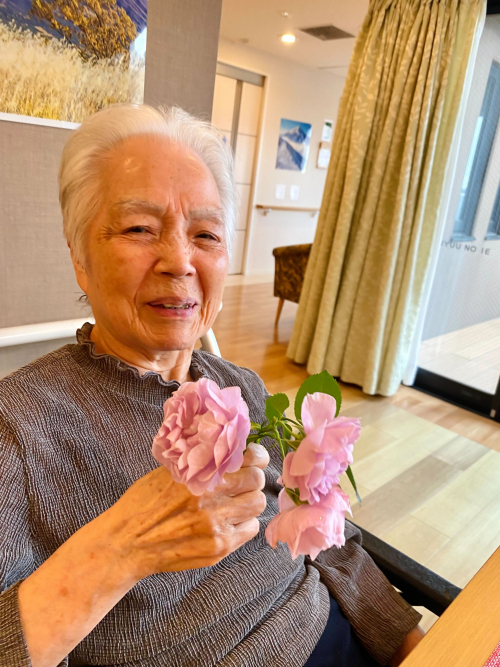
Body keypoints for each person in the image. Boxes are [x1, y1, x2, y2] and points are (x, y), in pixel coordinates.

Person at [0, 104, 424, 667]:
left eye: (206, 235)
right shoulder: (18, 427)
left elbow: (327, 540)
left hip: (336, 635)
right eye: (139, 229)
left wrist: (413, 646)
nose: (179, 260)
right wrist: (120, 549)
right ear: (80, 257)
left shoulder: (240, 385)